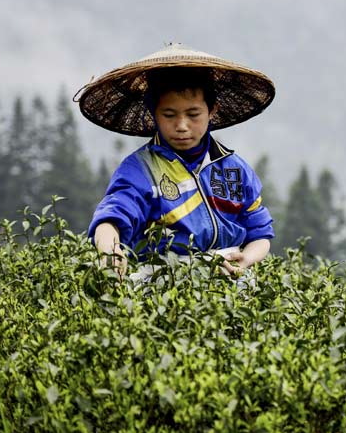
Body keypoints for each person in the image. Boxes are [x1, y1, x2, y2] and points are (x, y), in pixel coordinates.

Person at [75, 43, 276, 280]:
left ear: (212, 110)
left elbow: (260, 232)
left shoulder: (233, 169)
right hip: (163, 283)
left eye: (193, 114)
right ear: (153, 113)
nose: (181, 126)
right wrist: (110, 252)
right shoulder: (140, 169)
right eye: (169, 115)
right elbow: (112, 218)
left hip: (231, 282)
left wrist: (247, 258)